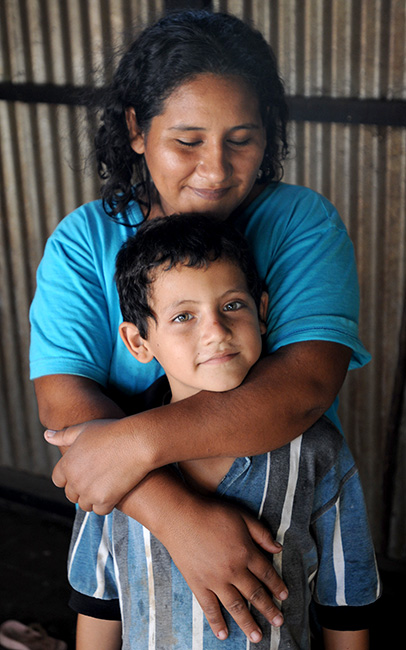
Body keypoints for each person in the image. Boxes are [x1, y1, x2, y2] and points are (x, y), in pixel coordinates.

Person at [30, 9, 372, 645]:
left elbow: (299, 390)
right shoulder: (85, 242)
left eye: (241, 139)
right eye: (187, 141)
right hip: (133, 528)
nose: (215, 171)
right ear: (136, 128)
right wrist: (179, 519)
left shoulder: (301, 226)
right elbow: (65, 407)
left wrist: (131, 446)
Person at [67, 214, 380, 650]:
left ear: (262, 312)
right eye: (183, 317)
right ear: (139, 342)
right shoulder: (110, 459)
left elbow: (347, 599)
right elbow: (98, 599)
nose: (216, 331)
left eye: (232, 305)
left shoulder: (315, 448)